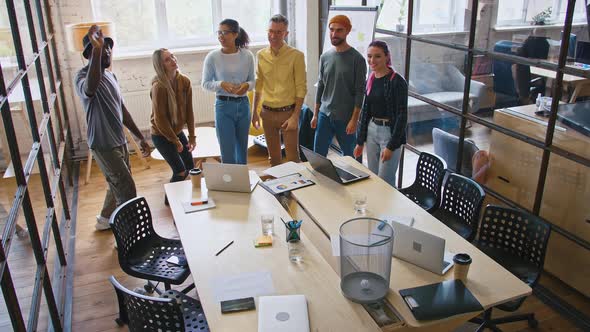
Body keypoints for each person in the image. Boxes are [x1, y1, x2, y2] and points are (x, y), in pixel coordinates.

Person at [74, 25, 150, 230]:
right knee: (126, 187)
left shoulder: (111, 76)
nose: (107, 51)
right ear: (90, 53)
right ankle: (129, 235)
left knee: (116, 181)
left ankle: (104, 219)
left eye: (108, 48)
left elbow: (122, 110)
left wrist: (140, 136)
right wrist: (97, 49)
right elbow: (90, 89)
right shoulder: (82, 77)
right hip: (103, 144)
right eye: (101, 48)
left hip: (119, 141)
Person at [252, 14, 307, 166]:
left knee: (292, 158)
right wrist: (254, 113)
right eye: (271, 31)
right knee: (274, 159)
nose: (273, 36)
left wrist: (295, 116)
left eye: (278, 32)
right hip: (267, 113)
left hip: (288, 113)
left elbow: (301, 88)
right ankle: (279, 189)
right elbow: (259, 85)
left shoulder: (296, 56)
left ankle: (297, 189)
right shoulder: (261, 55)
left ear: (286, 34)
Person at [354, 41, 407, 187]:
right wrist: (360, 141)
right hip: (372, 131)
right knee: (374, 177)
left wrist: (391, 146)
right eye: (369, 56)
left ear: (386, 57)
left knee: (385, 181)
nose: (372, 61)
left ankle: (390, 209)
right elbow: (366, 111)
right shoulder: (371, 78)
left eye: (377, 56)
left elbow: (402, 116)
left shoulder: (397, 82)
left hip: (389, 133)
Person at [312, 15, 366, 157]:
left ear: (347, 31)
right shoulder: (324, 57)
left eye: (339, 30)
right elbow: (321, 86)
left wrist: (354, 120)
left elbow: (360, 92)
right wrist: (316, 114)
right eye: (331, 30)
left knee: (352, 160)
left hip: (346, 118)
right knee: (318, 158)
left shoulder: (358, 60)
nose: (334, 34)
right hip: (324, 115)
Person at [202, 19, 254, 164]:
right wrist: (221, 84)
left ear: (235, 34)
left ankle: (241, 183)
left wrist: (246, 86)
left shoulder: (248, 56)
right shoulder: (212, 57)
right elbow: (205, 84)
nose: (221, 36)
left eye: (225, 32)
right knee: (227, 151)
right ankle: (230, 184)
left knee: (242, 149)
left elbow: (253, 81)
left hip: (243, 105)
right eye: (219, 32)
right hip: (223, 106)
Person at [150, 48, 196, 205]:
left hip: (176, 132)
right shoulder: (159, 87)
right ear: (160, 65)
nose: (173, 60)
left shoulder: (184, 81)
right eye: (167, 59)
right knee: (180, 170)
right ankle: (170, 201)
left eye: (173, 56)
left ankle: (184, 198)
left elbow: (189, 111)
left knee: (190, 167)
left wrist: (191, 136)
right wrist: (175, 141)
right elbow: (160, 119)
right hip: (161, 135)